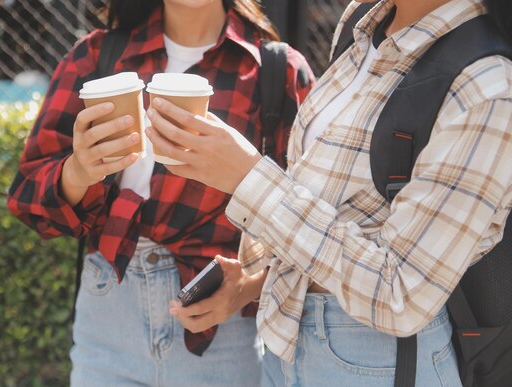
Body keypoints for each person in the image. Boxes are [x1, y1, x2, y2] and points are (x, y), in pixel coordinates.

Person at [146, 0, 512, 385]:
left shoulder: (487, 87)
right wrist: (255, 283)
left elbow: (401, 296)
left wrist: (248, 178)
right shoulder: (363, 20)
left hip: (379, 364)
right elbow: (335, 204)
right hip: (284, 350)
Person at [7, 0, 314, 385]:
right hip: (108, 312)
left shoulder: (277, 71)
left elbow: (310, 220)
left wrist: (249, 288)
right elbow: (27, 197)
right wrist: (78, 171)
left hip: (220, 324)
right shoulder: (97, 55)